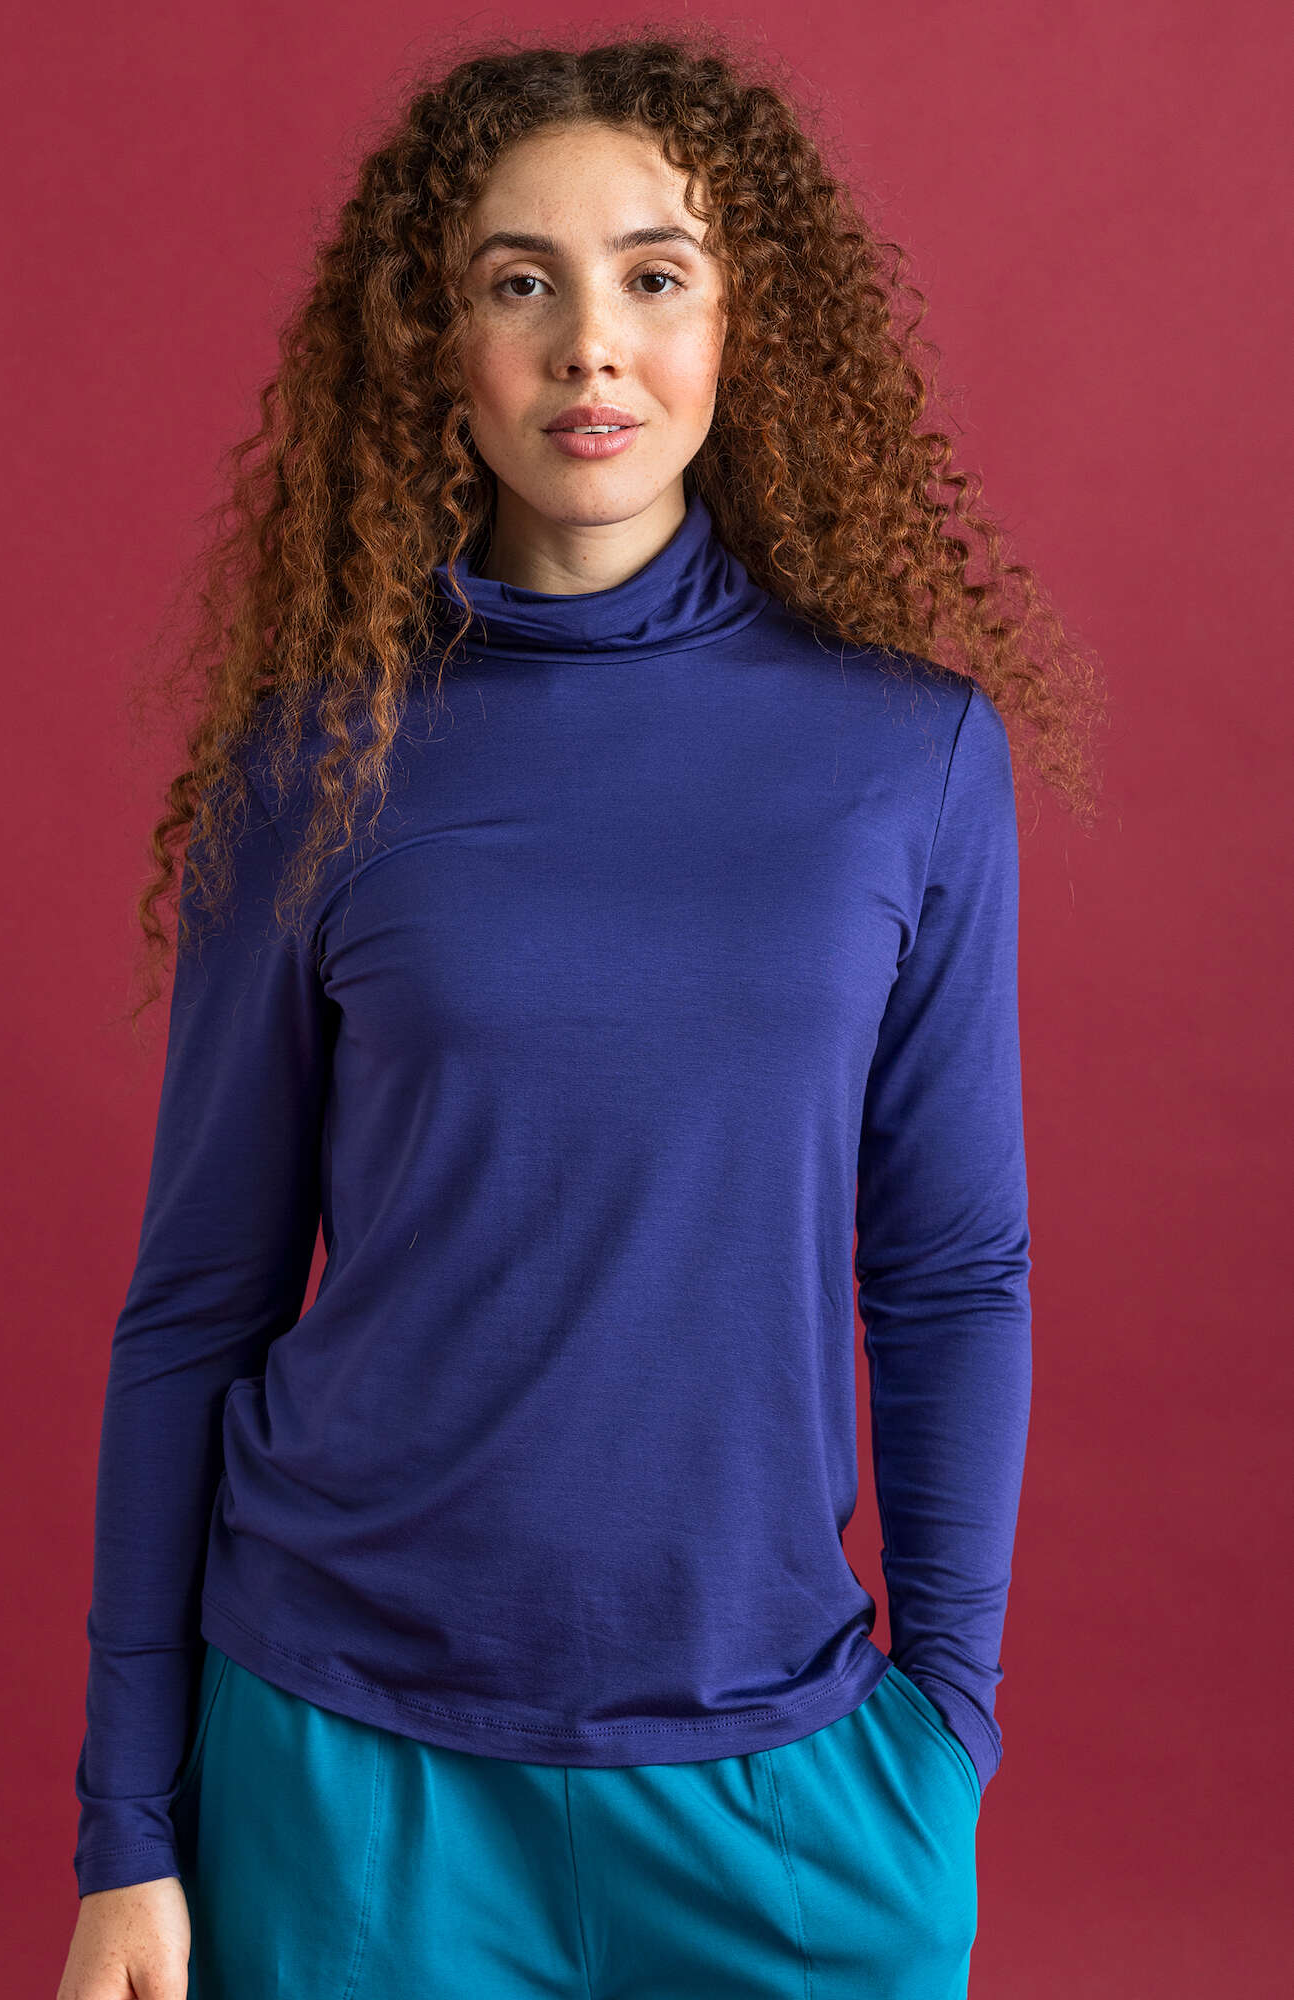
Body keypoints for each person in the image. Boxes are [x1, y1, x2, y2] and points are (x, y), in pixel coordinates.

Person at [56, 26, 1104, 2000]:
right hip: (346, 1765)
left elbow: (953, 1272)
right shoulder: (314, 768)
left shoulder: (907, 758)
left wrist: (947, 1726)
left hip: (782, 1783)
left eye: (653, 274)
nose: (590, 348)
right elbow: (198, 1303)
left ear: (739, 323)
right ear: (434, 342)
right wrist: (130, 1825)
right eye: (519, 282)